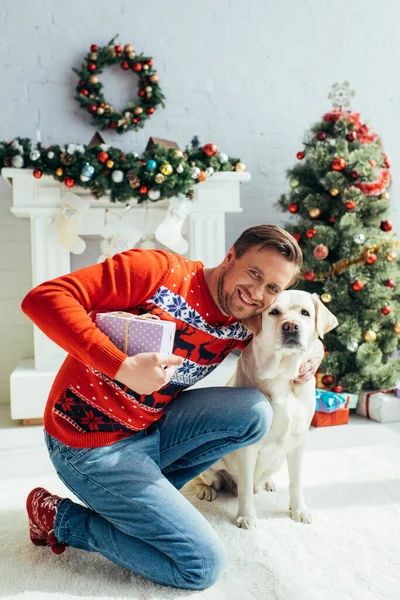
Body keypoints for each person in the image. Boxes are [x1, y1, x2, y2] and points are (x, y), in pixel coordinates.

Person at [23, 224, 323, 590]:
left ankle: (143, 503)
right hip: (89, 443)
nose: (257, 294)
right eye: (254, 273)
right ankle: (60, 520)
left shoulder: (244, 316)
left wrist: (315, 355)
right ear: (231, 255)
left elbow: (293, 332)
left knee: (254, 411)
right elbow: (43, 297)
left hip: (151, 431)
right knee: (200, 566)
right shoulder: (156, 271)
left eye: (272, 288)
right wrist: (121, 366)